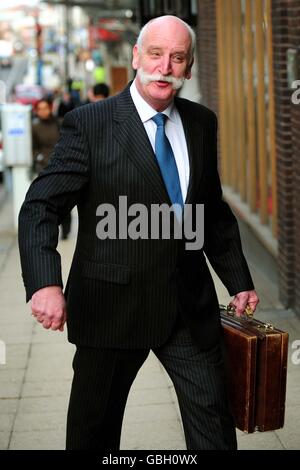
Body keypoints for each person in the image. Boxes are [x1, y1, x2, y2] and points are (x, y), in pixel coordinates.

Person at [18, 15, 259, 450]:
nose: (164, 66)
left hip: (188, 308)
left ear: (188, 68)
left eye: (177, 58)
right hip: (111, 308)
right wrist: (45, 283)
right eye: (155, 54)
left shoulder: (202, 123)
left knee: (214, 428)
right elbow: (41, 205)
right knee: (95, 433)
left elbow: (212, 213)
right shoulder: (90, 124)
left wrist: (238, 280)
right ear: (136, 57)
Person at [31, 97, 72, 240]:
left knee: (65, 200)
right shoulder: (34, 127)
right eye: (40, 109)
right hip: (44, 168)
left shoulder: (59, 123)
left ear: (50, 108)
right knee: (48, 201)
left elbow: (68, 141)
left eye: (45, 108)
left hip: (62, 166)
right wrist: (39, 157)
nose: (43, 111)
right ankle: (50, 229)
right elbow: (33, 148)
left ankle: (66, 229)